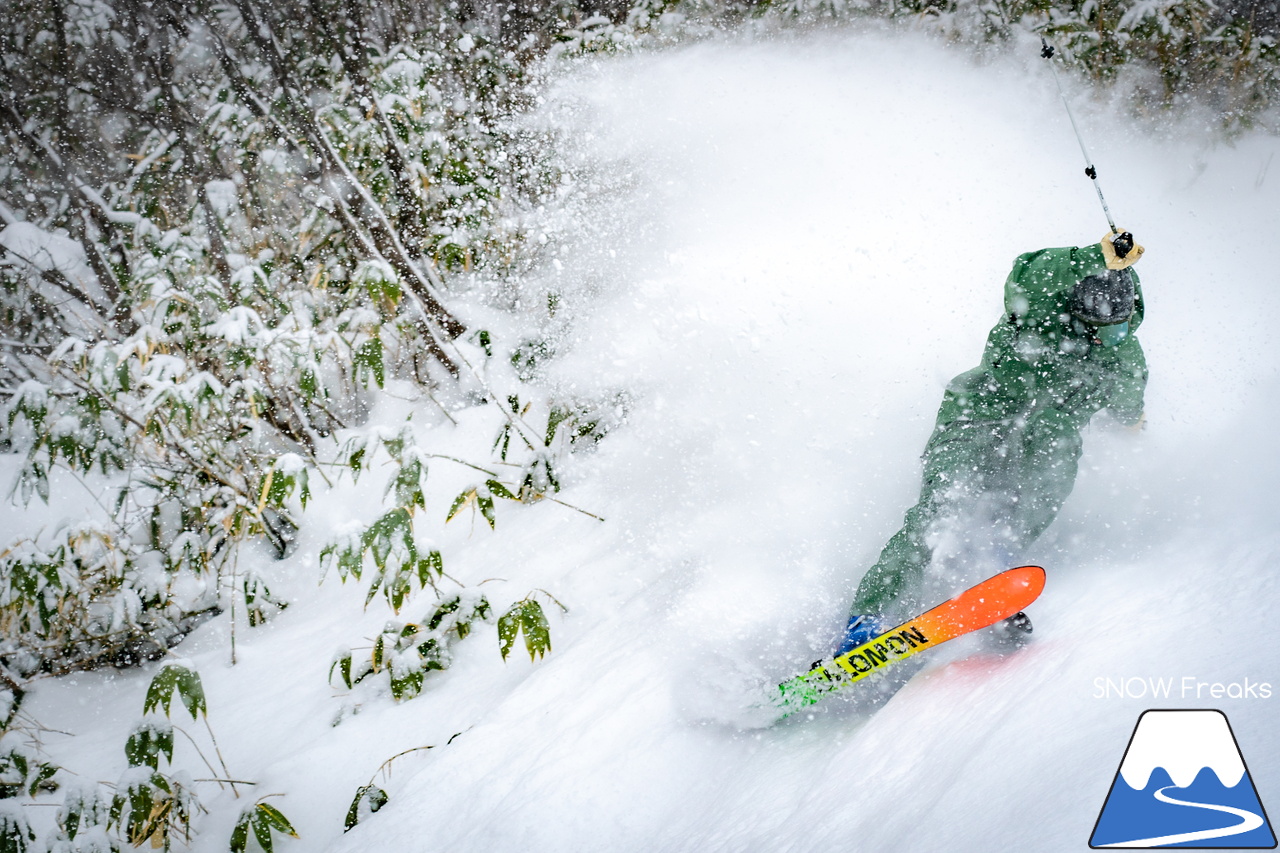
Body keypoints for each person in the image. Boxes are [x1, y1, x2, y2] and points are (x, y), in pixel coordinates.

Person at [838, 231, 1148, 655]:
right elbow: (1026, 270)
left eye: (1112, 331)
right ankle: (868, 620)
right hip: (979, 414)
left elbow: (1129, 411)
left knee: (1050, 472)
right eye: (1091, 327)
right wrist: (1094, 257)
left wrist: (1133, 424)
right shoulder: (1040, 302)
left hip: (1043, 440)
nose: (1099, 339)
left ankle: (992, 582)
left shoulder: (1125, 357)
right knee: (940, 509)